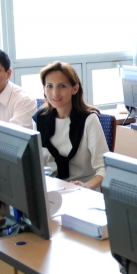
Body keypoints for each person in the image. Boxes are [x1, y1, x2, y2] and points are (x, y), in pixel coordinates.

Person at [33, 62, 109, 190]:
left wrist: (87, 186)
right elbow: (35, 163)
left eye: (62, 86)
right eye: (49, 86)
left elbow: (104, 167)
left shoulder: (89, 120)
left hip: (84, 190)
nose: (55, 93)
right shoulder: (39, 119)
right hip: (52, 189)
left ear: (74, 89)